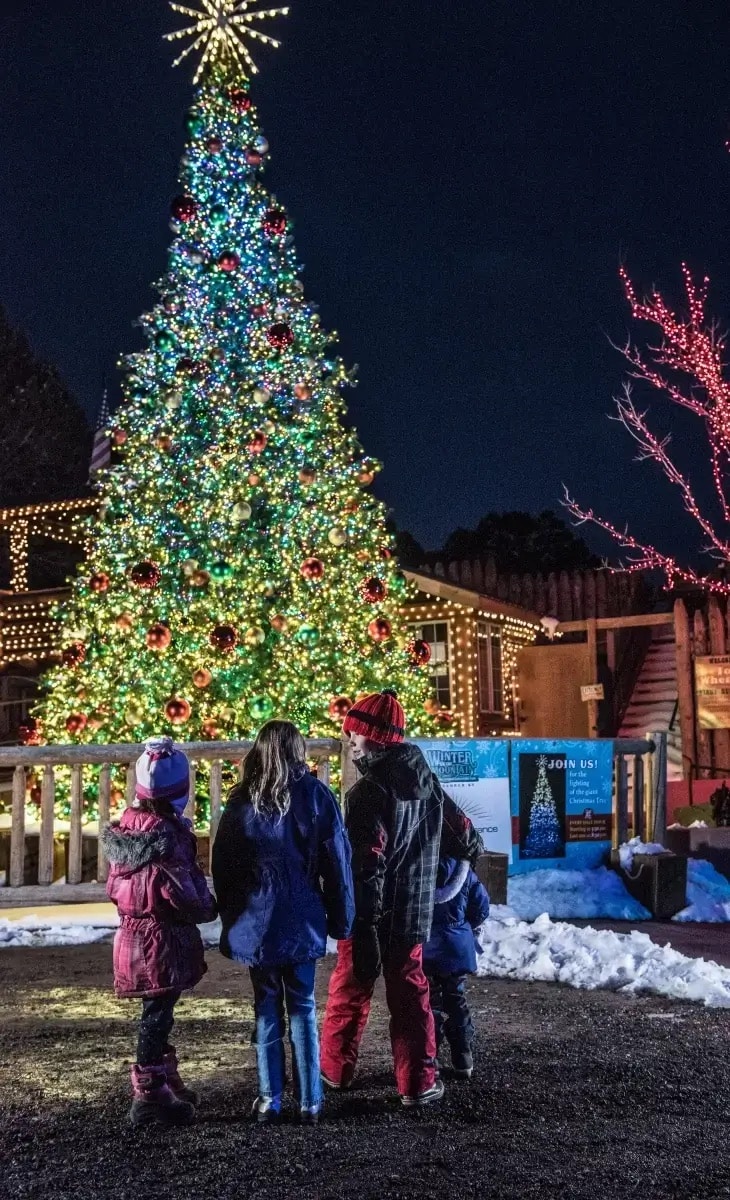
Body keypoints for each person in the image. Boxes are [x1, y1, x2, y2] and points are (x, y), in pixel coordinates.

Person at [320, 688, 483, 1108]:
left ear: (374, 738)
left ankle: (337, 1070)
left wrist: (364, 922)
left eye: (354, 733)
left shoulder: (368, 794)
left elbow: (365, 867)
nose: (349, 739)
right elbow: (466, 837)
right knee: (412, 997)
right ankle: (417, 1082)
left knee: (351, 991)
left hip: (371, 918)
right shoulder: (427, 784)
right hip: (412, 914)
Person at [212, 720, 354, 1125]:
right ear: (298, 752)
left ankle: (269, 1098)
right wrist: (342, 919)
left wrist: (235, 918)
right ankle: (311, 1099)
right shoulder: (316, 797)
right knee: (305, 1008)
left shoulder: (242, 802)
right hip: (303, 917)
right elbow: (337, 863)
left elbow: (225, 869)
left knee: (267, 1007)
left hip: (258, 924)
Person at [103, 737, 217, 1128]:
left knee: (158, 1012)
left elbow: (117, 888)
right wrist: (208, 906)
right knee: (156, 1014)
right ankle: (149, 1092)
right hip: (160, 939)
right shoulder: (169, 838)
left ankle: (164, 1077)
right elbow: (183, 892)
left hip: (134, 935)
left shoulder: (128, 828)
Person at [422, 855, 490, 1080]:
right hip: (456, 949)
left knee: (430, 1005)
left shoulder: (420, 867)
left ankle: (430, 1060)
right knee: (456, 1001)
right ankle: (463, 1058)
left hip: (426, 949)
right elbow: (481, 908)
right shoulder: (465, 872)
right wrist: (463, 927)